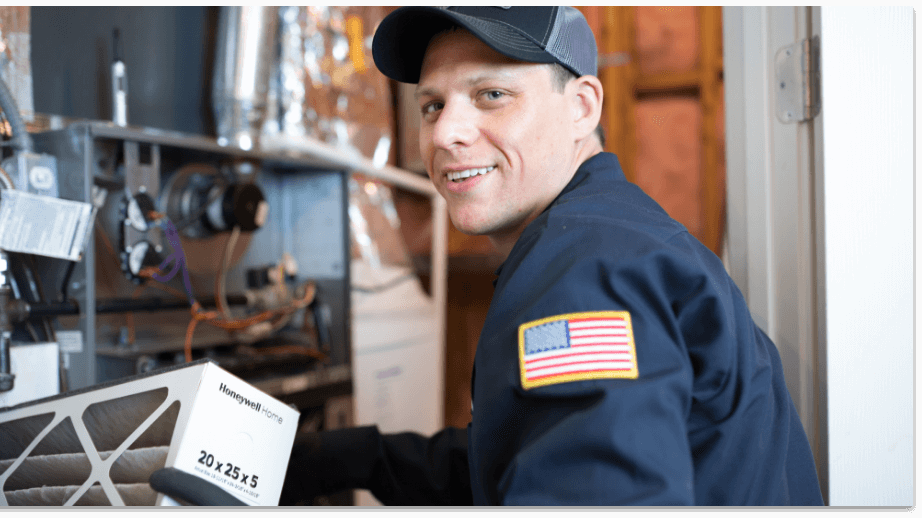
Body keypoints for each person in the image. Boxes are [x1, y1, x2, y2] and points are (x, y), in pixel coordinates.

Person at [282, 6, 825, 505]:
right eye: (432, 105)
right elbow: (534, 449)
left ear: (582, 108)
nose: (445, 133)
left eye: (492, 94)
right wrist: (351, 459)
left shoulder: (587, 268)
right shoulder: (605, 236)